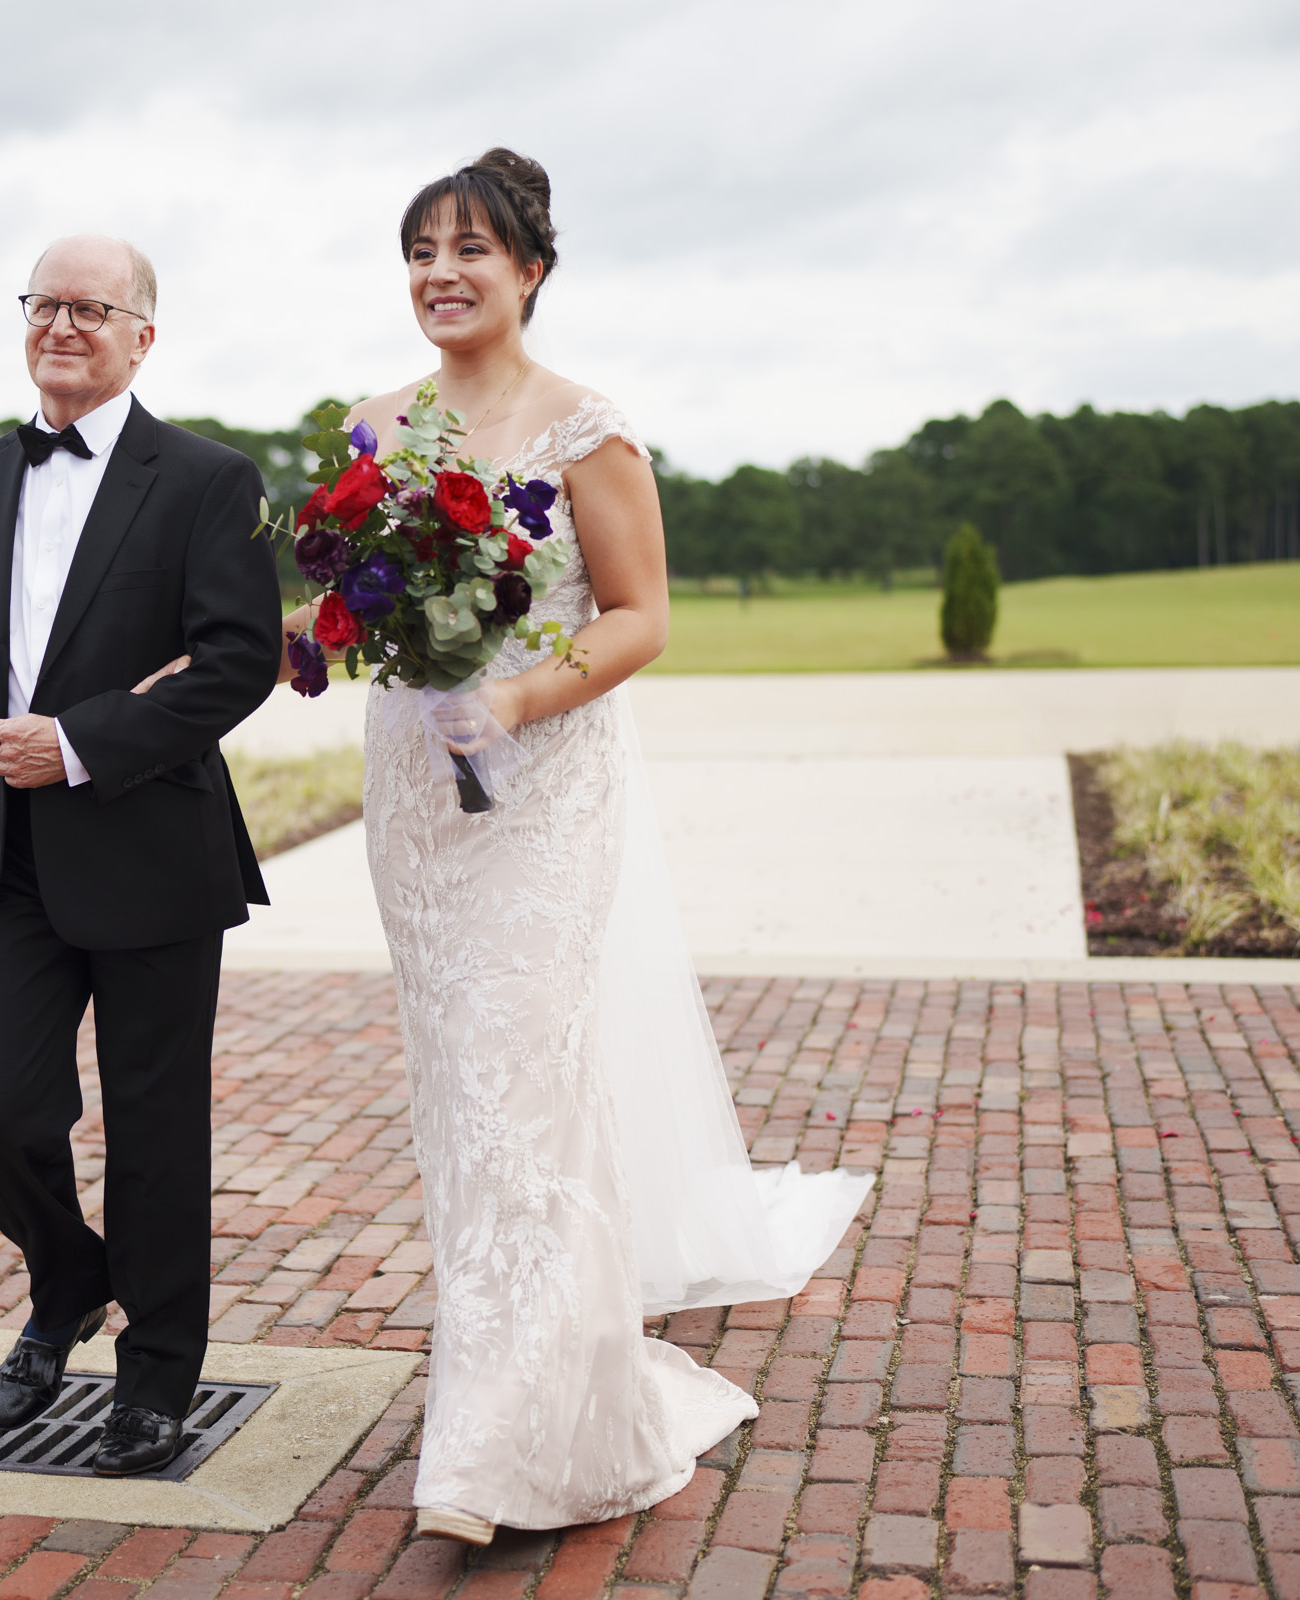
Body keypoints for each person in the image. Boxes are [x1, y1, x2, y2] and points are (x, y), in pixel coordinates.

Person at [287, 151, 873, 1542]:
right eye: (421, 248)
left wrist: (513, 696)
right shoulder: (378, 426)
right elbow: (344, 602)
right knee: (462, 1097)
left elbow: (638, 614)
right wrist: (338, 629)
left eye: (471, 248)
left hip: (544, 790)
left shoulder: (588, 426)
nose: (442, 271)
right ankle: (536, 1377)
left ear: (532, 269)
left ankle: (506, 1453)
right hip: (420, 800)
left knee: (525, 1087)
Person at [0, 235, 280, 1478]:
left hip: (156, 853)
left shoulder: (209, 480)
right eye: (44, 303)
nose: (63, 324)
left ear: (141, 336)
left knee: (157, 1130)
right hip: (11, 862)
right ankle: (68, 1285)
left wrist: (81, 742)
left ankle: (158, 1372)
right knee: (5, 1109)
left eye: (92, 308)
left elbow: (237, 659)